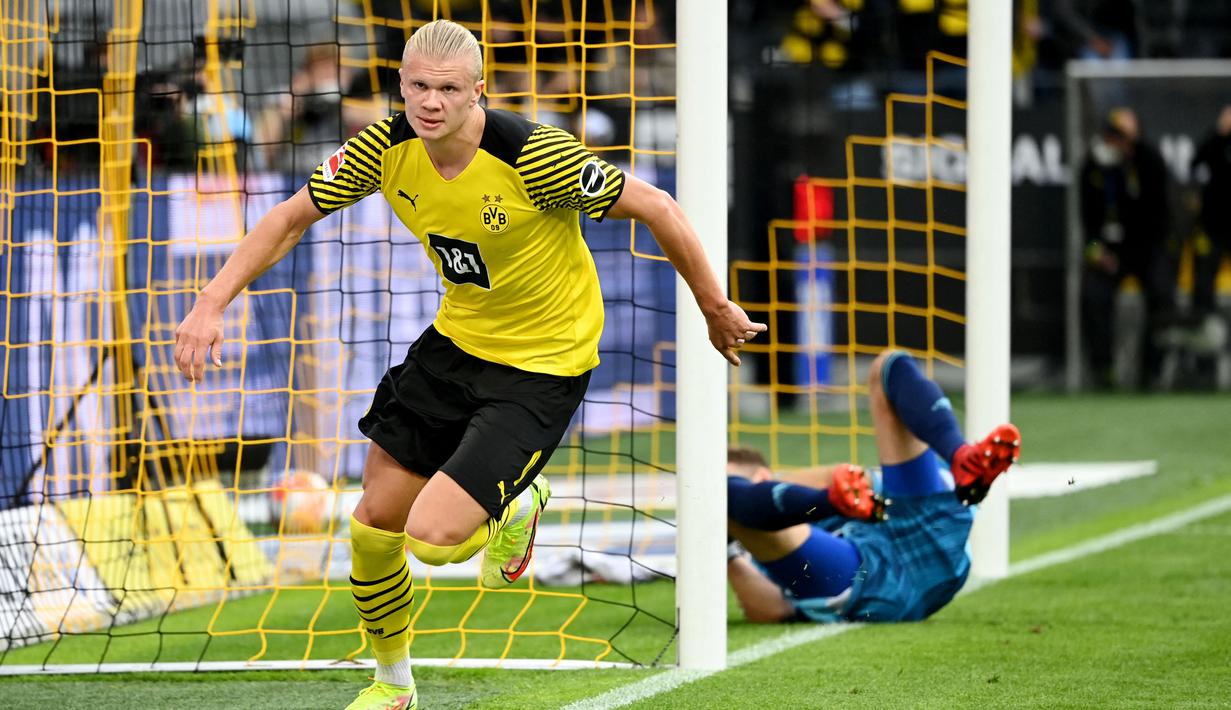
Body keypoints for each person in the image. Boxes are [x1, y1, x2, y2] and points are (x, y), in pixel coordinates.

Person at [172, 19, 765, 710]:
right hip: (454, 345)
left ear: (477, 91)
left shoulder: (534, 156)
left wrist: (713, 306)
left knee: (435, 542)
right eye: (417, 85)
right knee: (370, 527)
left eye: (447, 89)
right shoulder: (383, 147)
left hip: (542, 366)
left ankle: (520, 497)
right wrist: (211, 301)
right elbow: (287, 218)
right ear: (400, 84)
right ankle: (392, 686)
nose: (430, 102)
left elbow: (658, 206)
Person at [725, 349, 1020, 624]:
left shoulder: (823, 488)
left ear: (764, 477)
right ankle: (831, 500)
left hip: (916, 528)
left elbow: (860, 479)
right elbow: (771, 607)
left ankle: (962, 458)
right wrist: (727, 548)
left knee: (889, 366)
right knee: (727, 497)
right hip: (870, 576)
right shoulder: (758, 553)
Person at [1079, 107, 1176, 389]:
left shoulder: (1149, 161)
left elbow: (1161, 218)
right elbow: (1088, 228)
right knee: (1092, 295)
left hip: (1146, 248)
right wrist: (1096, 250)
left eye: (1121, 137)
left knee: (1162, 294)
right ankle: (1103, 369)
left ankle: (1152, 371)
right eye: (1112, 135)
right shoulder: (1093, 167)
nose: (1114, 142)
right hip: (1109, 250)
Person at [1190, 105, 1231, 321]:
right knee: (1204, 282)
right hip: (1213, 225)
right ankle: (1202, 331)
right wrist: (1220, 132)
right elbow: (1195, 164)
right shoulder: (1215, 143)